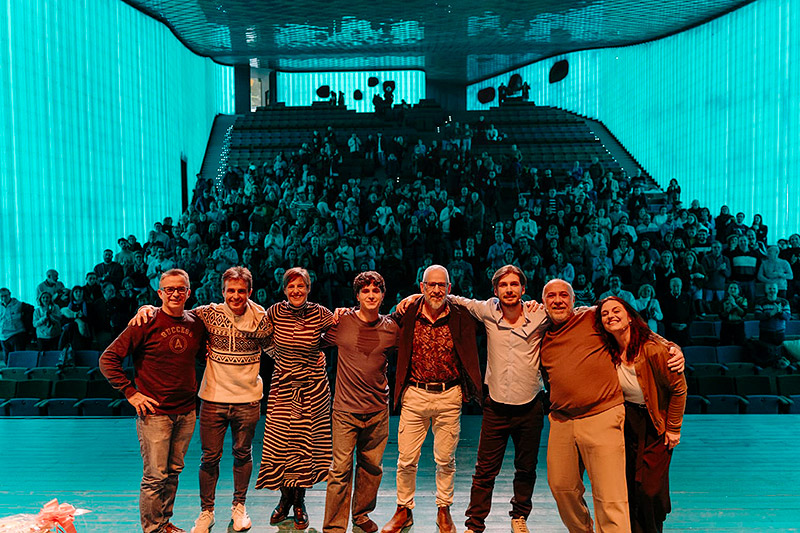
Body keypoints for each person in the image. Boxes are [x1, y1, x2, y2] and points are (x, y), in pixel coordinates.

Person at [132, 267, 274, 533]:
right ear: (223, 292)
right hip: (213, 399)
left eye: (241, 291)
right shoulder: (207, 314)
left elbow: (277, 351)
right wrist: (147, 308)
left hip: (248, 400)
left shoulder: (262, 319)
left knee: (243, 454)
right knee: (209, 459)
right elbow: (174, 311)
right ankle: (206, 512)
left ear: (250, 292)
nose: (235, 296)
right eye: (230, 291)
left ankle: (239, 507)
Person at [539, 279, 683, 533]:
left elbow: (635, 325)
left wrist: (672, 347)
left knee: (610, 494)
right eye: (551, 296)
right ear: (543, 303)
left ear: (574, 300)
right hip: (561, 419)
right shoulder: (540, 329)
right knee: (561, 487)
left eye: (564, 295)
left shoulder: (592, 317)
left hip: (602, 413)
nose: (558, 300)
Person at [100, 269, 206, 533]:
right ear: (160, 293)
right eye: (169, 289)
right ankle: (152, 529)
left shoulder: (196, 323)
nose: (175, 294)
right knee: (155, 476)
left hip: (186, 411)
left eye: (180, 289)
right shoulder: (145, 321)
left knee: (173, 471)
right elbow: (108, 359)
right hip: (155, 413)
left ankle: (164, 523)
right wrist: (130, 392)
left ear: (188, 292)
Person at [381, 265, 482, 533]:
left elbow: (491, 315)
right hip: (415, 394)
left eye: (441, 285)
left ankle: (443, 509)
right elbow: (382, 322)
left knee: (446, 460)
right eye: (431, 285)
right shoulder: (408, 312)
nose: (436, 290)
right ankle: (403, 509)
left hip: (449, 395)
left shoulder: (461, 315)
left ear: (449, 288)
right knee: (406, 459)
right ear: (422, 287)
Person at [596, 297, 687, 533]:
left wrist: (674, 428)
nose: (610, 316)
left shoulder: (653, 348)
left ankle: (655, 524)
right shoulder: (607, 347)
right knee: (632, 484)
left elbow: (679, 389)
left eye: (616, 311)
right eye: (605, 314)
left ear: (629, 316)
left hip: (655, 422)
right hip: (627, 421)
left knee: (650, 489)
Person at [256, 267, 335, 530]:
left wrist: (318, 352)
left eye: (301, 286)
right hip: (283, 386)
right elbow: (261, 336)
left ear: (308, 289)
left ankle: (299, 502)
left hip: (313, 387)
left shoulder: (320, 313)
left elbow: (339, 330)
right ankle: (284, 499)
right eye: (291, 286)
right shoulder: (274, 312)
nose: (296, 290)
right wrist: (278, 357)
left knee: (304, 446)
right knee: (280, 444)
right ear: (284, 289)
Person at [322, 272, 398, 533]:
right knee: (339, 470)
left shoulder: (391, 328)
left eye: (376, 290)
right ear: (357, 296)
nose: (371, 295)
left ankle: (361, 514)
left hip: (377, 409)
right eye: (365, 291)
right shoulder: (342, 322)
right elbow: (315, 342)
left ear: (383, 295)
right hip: (345, 409)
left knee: (372, 467)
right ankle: (334, 526)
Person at [0, 288, 31, 364]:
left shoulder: (18, 304)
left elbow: (30, 310)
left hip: (16, 333)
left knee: (18, 357)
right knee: (7, 358)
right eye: (1, 296)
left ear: (9, 295)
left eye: (5, 296)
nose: (4, 298)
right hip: (3, 336)